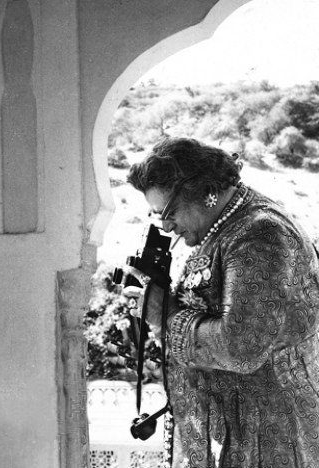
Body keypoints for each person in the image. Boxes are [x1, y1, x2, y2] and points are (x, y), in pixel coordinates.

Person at [121, 137, 319, 468]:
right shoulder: (224, 227)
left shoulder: (261, 235)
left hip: (272, 438)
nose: (166, 227)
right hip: (236, 429)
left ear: (205, 192)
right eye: (156, 216)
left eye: (168, 213)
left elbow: (242, 345)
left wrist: (167, 315)